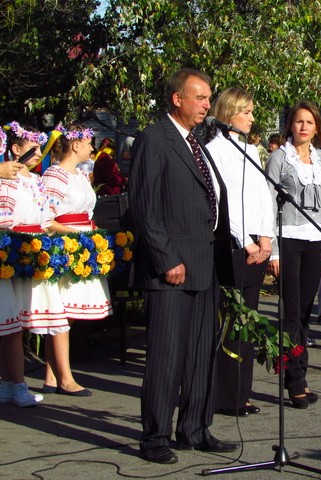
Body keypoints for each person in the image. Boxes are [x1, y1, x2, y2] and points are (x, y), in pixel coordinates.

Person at [129, 68, 238, 464]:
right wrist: (165, 257)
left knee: (199, 354)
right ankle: (155, 435)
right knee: (165, 356)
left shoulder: (199, 143)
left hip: (204, 264)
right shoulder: (153, 139)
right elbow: (144, 206)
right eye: (201, 97)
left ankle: (194, 428)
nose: (208, 105)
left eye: (209, 98)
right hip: (172, 268)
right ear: (177, 98)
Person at [205, 87, 274, 417]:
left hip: (256, 249)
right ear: (229, 113)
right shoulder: (212, 151)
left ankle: (242, 393)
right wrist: (244, 240)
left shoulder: (249, 149)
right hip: (232, 248)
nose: (251, 117)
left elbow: (262, 196)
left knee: (248, 322)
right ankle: (225, 396)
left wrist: (266, 239)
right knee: (230, 323)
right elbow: (221, 202)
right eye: (246, 111)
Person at [265, 101, 321, 409]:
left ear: (317, 128)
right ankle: (294, 382)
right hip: (289, 239)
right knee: (292, 312)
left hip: (315, 240)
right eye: (298, 122)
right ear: (290, 126)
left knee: (305, 311)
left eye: (309, 122)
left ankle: (299, 377)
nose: (304, 127)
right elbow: (268, 201)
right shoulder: (279, 158)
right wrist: (273, 249)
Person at [42, 123, 113, 395]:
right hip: (65, 244)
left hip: (83, 241)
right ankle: (65, 377)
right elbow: (45, 218)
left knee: (68, 315)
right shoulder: (54, 176)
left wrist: (92, 235)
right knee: (61, 312)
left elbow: (87, 211)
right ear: (75, 144)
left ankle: (52, 373)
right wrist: (76, 235)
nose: (92, 147)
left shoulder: (81, 175)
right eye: (88, 142)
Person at [0, 122, 48, 407]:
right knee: (11, 323)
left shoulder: (23, 178)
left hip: (14, 249)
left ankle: (10, 383)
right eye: (34, 147)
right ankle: (16, 383)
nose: (39, 153)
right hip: (9, 245)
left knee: (10, 323)